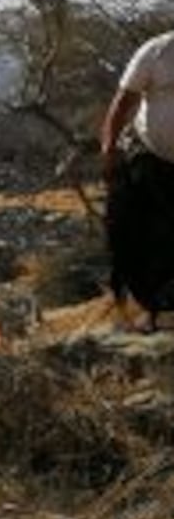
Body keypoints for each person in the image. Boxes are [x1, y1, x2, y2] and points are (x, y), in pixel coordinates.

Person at [101, 30, 174, 331]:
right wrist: (109, 147)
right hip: (153, 160)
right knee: (141, 235)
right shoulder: (156, 51)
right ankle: (151, 307)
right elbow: (123, 101)